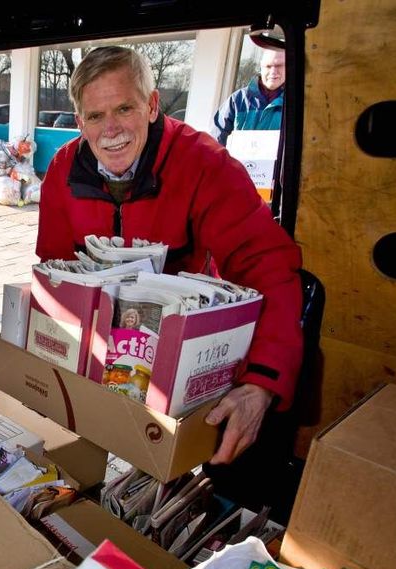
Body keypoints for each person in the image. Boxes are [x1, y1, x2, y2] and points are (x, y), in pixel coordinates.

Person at [36, 46, 302, 466]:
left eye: (125, 108)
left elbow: (269, 269)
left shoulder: (207, 165)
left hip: (184, 364)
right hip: (99, 361)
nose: (111, 130)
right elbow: (53, 275)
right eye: (95, 116)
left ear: (153, 105)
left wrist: (262, 385)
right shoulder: (61, 172)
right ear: (78, 122)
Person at [210, 48, 285, 146]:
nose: (273, 71)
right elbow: (216, 143)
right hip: (237, 162)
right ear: (261, 67)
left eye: (279, 65)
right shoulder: (238, 100)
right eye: (268, 66)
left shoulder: (300, 104)